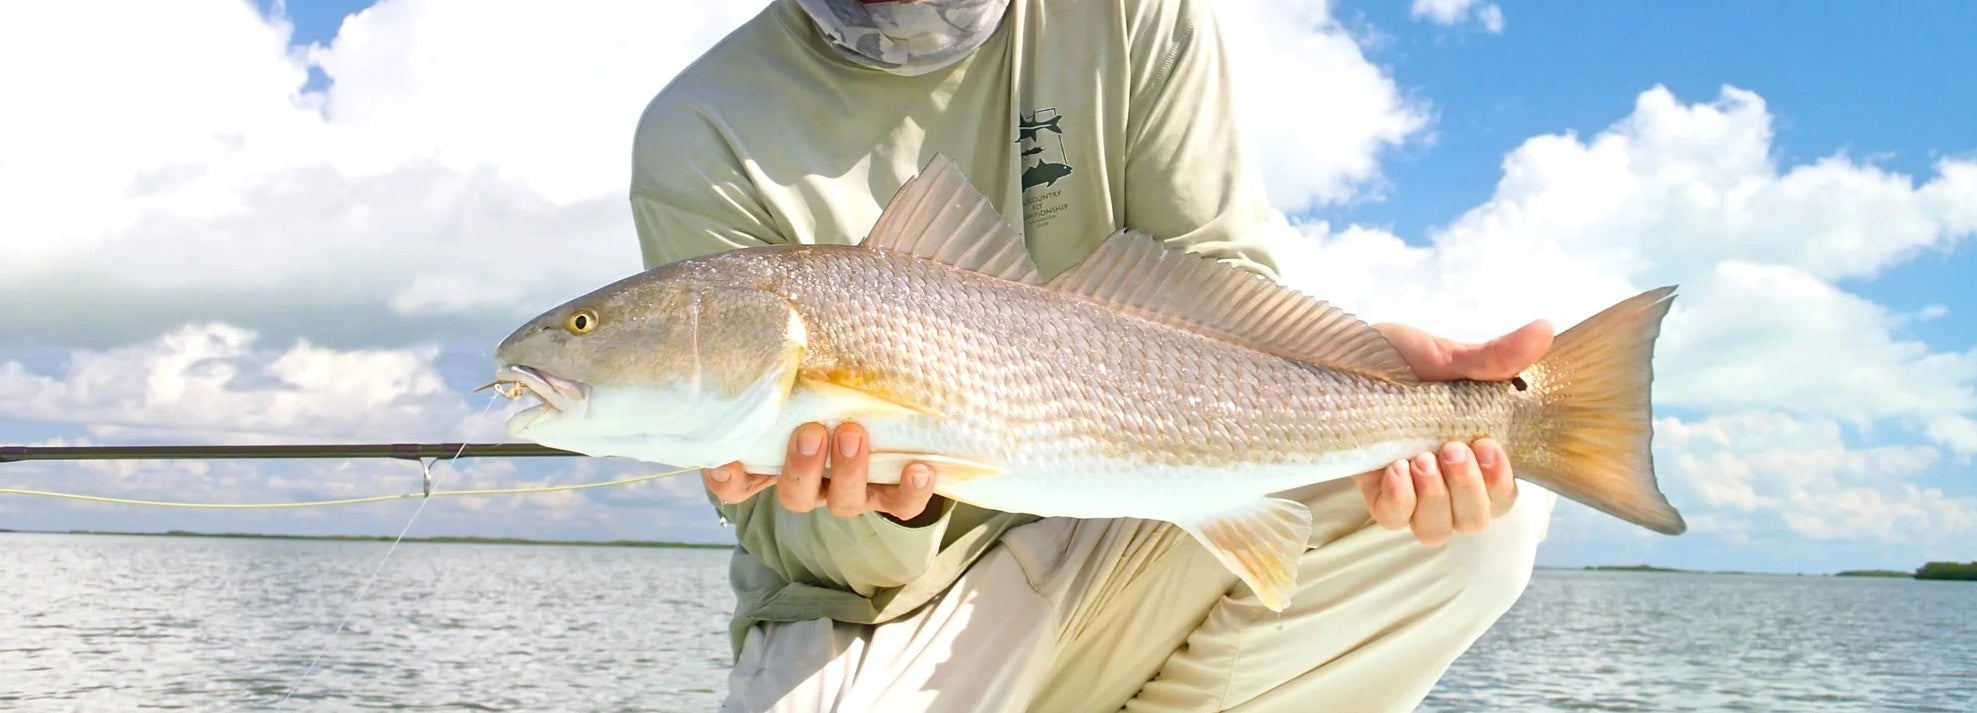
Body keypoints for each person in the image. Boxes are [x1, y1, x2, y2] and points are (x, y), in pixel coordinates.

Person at [628, 0, 1559, 710]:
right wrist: (881, 513)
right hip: (902, 599)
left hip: (1147, 504)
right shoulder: (702, 128)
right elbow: (802, 546)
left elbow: (1222, 288)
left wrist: (1359, 370)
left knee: (1491, 513)